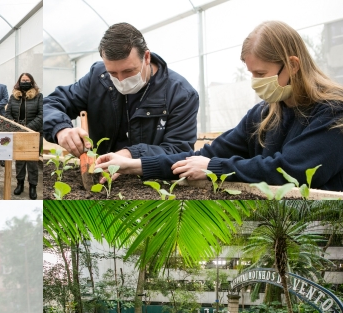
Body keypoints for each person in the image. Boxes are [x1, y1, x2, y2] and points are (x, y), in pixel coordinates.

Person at [96, 21, 343, 191]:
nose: (256, 82)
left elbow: (290, 169)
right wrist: (134, 165)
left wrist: (215, 168)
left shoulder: (332, 113)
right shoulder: (265, 114)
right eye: (252, 73)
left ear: (292, 65)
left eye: (261, 73)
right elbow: (205, 156)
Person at [44, 22, 198, 180]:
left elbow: (179, 151)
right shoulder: (98, 77)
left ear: (146, 57)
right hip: (102, 178)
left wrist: (130, 155)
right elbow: (50, 104)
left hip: (151, 182)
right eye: (113, 73)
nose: (121, 80)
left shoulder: (181, 94)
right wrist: (61, 129)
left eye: (128, 71)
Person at [7, 73, 43, 200]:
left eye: (27, 80)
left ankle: (33, 186)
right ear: (19, 82)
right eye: (23, 80)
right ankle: (20, 184)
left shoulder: (38, 97)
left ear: (32, 82)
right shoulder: (14, 97)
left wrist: (28, 129)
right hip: (19, 133)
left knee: (32, 161)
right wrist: (17, 127)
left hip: (34, 133)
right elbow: (8, 114)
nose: (25, 82)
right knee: (20, 161)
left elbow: (41, 115)